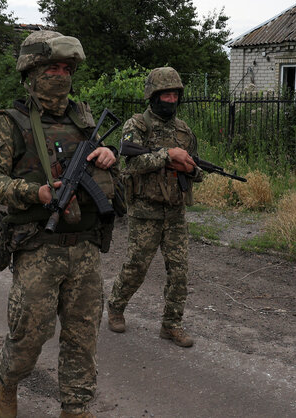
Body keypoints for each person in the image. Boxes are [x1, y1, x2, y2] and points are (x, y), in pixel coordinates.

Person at [0, 30, 119, 418]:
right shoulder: (10, 122)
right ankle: (7, 383)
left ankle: (76, 406)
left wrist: (107, 155)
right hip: (38, 245)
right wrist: (35, 193)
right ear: (31, 72)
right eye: (51, 67)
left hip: (84, 246)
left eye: (65, 68)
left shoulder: (83, 116)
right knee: (29, 335)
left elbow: (107, 170)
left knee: (83, 336)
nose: (59, 75)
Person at [106, 67, 203, 347]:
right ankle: (115, 307)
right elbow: (131, 163)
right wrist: (166, 156)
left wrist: (193, 170)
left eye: (175, 95)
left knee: (179, 271)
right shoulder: (137, 126)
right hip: (145, 211)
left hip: (174, 211)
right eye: (165, 94)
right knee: (136, 266)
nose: (171, 100)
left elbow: (195, 168)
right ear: (153, 95)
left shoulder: (184, 131)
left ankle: (171, 325)